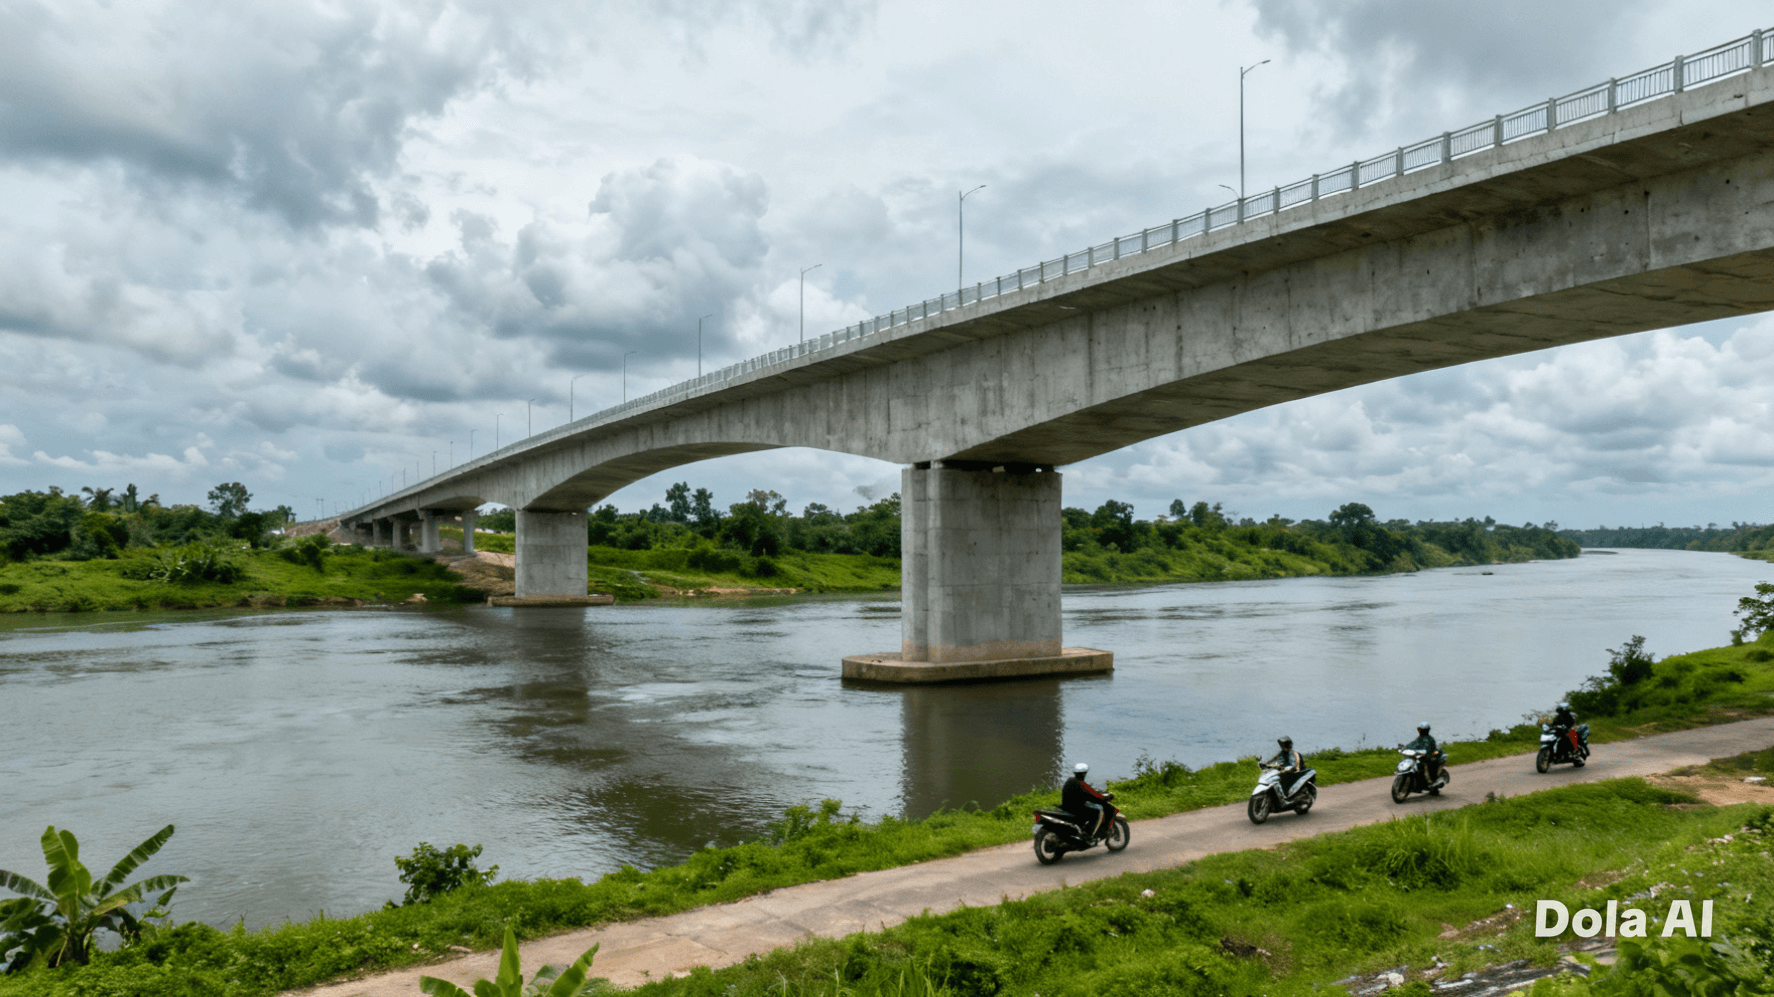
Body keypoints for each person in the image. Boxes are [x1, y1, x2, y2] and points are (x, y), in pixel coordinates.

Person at [1061, 762, 1109, 838]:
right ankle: (1088, 835)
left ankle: (1082, 828)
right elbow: (1093, 797)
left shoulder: (1070, 780)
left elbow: (1087, 792)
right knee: (1095, 813)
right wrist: (1105, 798)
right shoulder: (1081, 784)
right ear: (1084, 773)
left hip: (1066, 807)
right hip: (1075, 809)